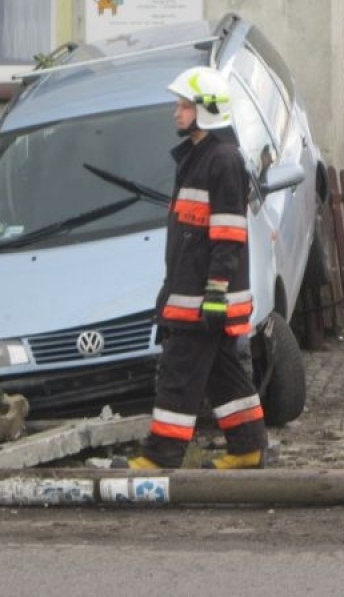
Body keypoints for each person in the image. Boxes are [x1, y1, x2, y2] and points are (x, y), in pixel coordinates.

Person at [112, 66, 267, 470]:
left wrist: (215, 291)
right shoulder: (197, 158)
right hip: (191, 293)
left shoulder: (223, 161)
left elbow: (228, 233)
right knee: (223, 374)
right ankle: (247, 448)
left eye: (184, 106)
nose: (176, 113)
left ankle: (160, 456)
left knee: (178, 375)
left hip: (204, 298)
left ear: (207, 110)